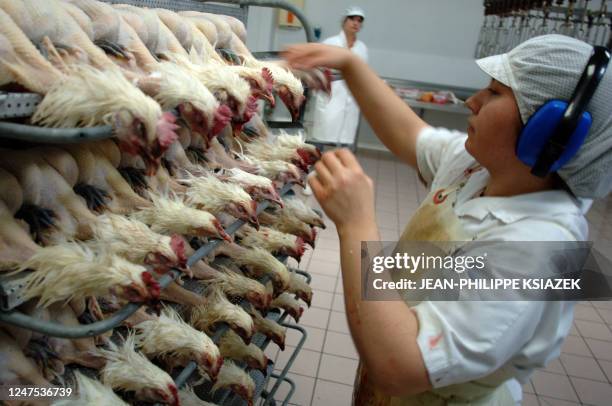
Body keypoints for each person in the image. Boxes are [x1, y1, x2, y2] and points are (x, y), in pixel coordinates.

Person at [283, 34, 612, 405]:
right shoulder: (479, 170)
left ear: (548, 132)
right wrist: (351, 64)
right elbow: (409, 133)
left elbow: (401, 367)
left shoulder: (540, 246)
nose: (472, 100)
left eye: (495, 93)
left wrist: (357, 225)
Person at [310, 6, 368, 147]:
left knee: (343, 144)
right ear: (344, 21)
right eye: (352, 19)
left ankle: (338, 167)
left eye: (359, 20)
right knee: (322, 140)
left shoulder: (362, 48)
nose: (356, 23)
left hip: (351, 99)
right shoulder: (330, 43)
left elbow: (363, 74)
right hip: (330, 97)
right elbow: (316, 68)